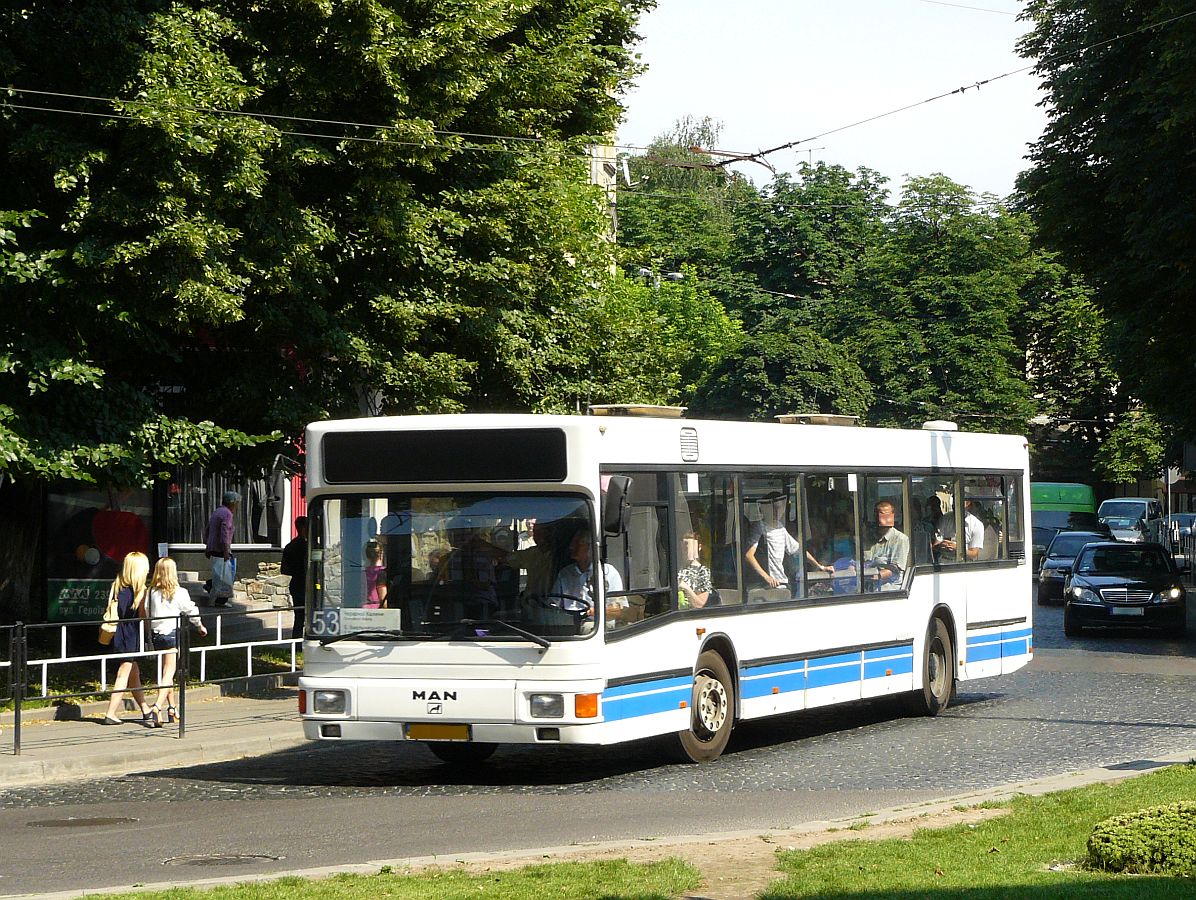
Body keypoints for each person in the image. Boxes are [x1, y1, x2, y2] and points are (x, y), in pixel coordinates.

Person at [146, 556, 207, 726]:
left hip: (156, 634)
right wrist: (200, 625)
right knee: (169, 672)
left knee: (166, 673)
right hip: (172, 634)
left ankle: (172, 708)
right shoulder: (179, 592)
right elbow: (190, 610)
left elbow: (146, 612)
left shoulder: (151, 592)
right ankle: (157, 706)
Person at [100, 552, 157, 726]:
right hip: (131, 634)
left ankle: (145, 709)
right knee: (124, 673)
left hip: (121, 633)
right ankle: (110, 713)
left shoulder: (118, 587)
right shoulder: (139, 592)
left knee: (134, 674)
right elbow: (142, 617)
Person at [744, 492, 832, 597]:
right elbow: (749, 555)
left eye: (779, 508)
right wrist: (767, 577)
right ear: (763, 510)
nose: (777, 511)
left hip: (781, 584)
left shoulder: (780, 527)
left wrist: (819, 566)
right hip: (764, 586)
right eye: (773, 508)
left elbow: (799, 550)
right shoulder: (759, 527)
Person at [551, 526, 624, 618]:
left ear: (590, 547)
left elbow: (617, 611)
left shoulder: (608, 573)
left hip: (595, 624)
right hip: (568, 623)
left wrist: (592, 612)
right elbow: (554, 603)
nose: (571, 547)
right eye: (572, 543)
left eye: (578, 543)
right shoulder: (565, 573)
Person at [865, 500, 910, 591]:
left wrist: (877, 575)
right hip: (867, 587)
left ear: (893, 516)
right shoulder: (869, 537)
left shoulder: (900, 539)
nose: (884, 518)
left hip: (889, 589)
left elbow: (895, 569)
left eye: (887, 515)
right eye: (880, 514)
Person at [204, 490, 240, 606]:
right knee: (223, 576)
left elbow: (208, 529)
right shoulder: (227, 514)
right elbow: (225, 534)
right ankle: (216, 598)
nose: (237, 506)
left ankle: (216, 596)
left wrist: (207, 547)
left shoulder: (217, 511)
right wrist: (226, 551)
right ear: (232, 503)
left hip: (213, 547)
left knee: (219, 574)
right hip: (220, 549)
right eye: (236, 503)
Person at [507, 518, 557, 599]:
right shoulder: (533, 553)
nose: (536, 537)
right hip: (531, 603)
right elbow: (509, 558)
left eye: (541, 533)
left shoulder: (561, 555)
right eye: (535, 533)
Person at [280, 516, 308, 638]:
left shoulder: (290, 546)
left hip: (296, 584)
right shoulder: (306, 546)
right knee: (306, 615)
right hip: (304, 584)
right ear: (303, 528)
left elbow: (285, 570)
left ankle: (296, 643)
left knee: (299, 616)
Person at [677, 531, 714, 609]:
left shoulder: (702, 572)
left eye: (689, 547)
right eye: (683, 547)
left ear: (699, 547)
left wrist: (685, 587)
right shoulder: (676, 568)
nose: (686, 550)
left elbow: (700, 604)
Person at [363, 539, 388, 608]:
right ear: (381, 554)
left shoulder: (363, 573)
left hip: (363, 609)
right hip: (376, 610)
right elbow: (383, 600)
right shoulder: (382, 572)